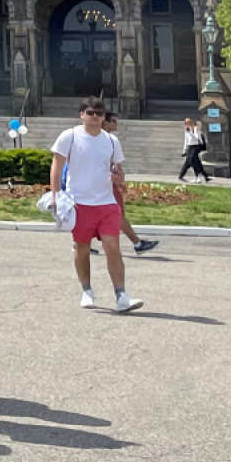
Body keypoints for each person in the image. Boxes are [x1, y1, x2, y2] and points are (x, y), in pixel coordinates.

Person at [50, 97, 143, 313]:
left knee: (112, 247)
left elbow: (119, 170)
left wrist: (119, 179)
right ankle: (87, 290)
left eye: (99, 114)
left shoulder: (111, 141)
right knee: (82, 248)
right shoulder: (70, 136)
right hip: (79, 202)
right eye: (90, 113)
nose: (95, 117)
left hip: (106, 203)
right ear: (81, 114)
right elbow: (57, 165)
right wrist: (56, 195)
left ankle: (121, 296)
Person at [102, 114, 158, 256]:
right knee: (116, 213)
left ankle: (82, 243)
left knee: (100, 213)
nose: (116, 124)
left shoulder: (95, 138)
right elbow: (117, 164)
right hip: (108, 183)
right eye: (113, 121)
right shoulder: (111, 140)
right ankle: (137, 243)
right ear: (105, 122)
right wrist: (120, 182)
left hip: (101, 182)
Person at [178, 117, 211, 183]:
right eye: (185, 123)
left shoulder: (195, 129)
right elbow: (186, 141)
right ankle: (204, 176)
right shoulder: (187, 130)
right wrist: (184, 150)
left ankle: (199, 177)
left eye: (187, 123)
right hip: (190, 147)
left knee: (192, 161)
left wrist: (190, 132)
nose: (186, 125)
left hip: (196, 146)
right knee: (193, 162)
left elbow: (197, 137)